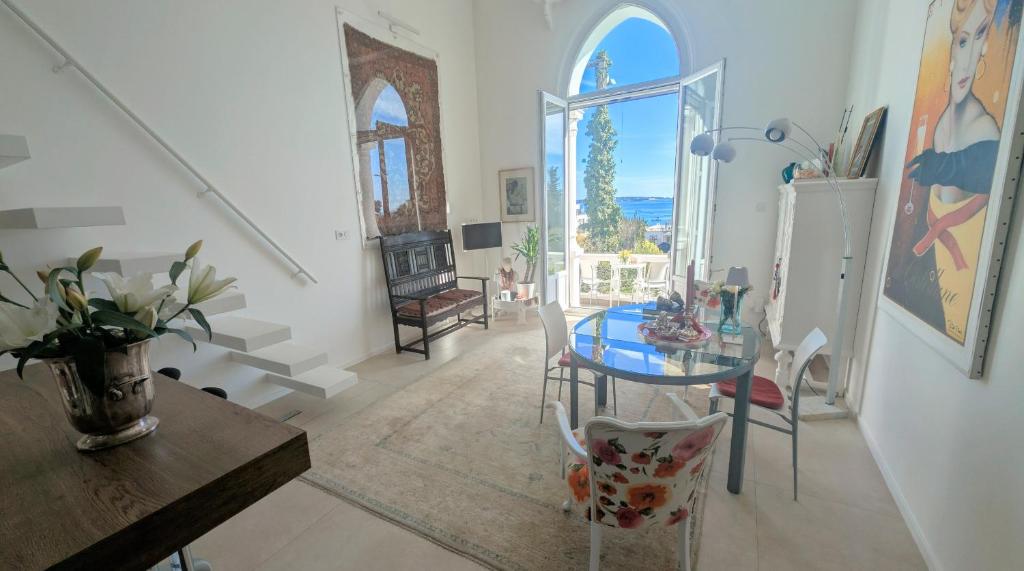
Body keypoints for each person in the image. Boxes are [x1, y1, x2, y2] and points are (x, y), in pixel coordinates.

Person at [904, 0, 1001, 342]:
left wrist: (945, 168)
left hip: (957, 285)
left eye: (980, 36)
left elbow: (987, 171)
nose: (971, 54)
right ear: (952, 47)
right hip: (930, 270)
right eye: (963, 40)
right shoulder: (942, 127)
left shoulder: (985, 133)